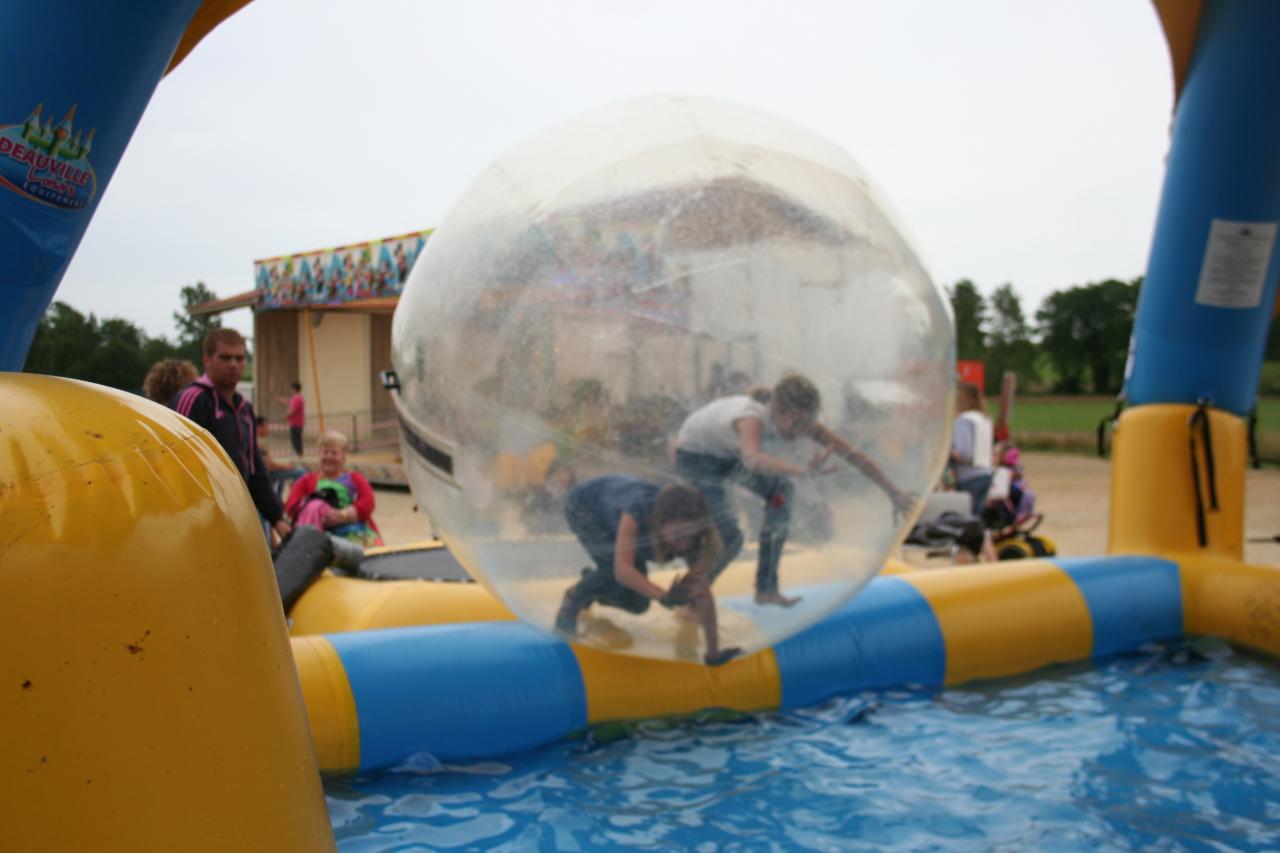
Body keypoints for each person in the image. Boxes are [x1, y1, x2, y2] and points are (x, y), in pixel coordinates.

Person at [674, 373, 914, 607]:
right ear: (776, 412)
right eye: (796, 423)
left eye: (807, 423)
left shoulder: (804, 425)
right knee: (731, 538)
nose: (800, 432)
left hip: (728, 455)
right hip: (696, 457)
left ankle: (766, 590)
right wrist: (800, 470)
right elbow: (753, 460)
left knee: (781, 493)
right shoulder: (752, 418)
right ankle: (689, 600)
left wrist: (893, 492)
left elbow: (856, 457)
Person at [554, 477, 742, 666]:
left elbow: (702, 592)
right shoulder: (638, 512)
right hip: (586, 505)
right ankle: (574, 597)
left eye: (690, 538)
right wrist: (664, 596)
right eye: (677, 537)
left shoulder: (694, 535)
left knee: (638, 604)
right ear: (659, 523)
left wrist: (713, 654)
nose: (684, 545)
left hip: (616, 510)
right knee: (612, 570)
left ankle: (594, 584)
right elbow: (623, 570)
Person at [171, 329, 290, 541]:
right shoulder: (194, 400)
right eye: (225, 358)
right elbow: (177, 466)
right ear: (207, 360)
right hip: (198, 523)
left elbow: (255, 469)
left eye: (239, 358)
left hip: (235, 517)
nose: (233, 364)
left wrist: (277, 517)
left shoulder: (244, 409)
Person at [283, 430, 383, 547]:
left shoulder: (355, 478)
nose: (329, 457)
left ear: (344, 456)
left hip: (355, 531)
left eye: (334, 453)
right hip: (317, 535)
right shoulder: (305, 481)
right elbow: (291, 505)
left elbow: (368, 502)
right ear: (319, 455)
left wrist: (343, 515)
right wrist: (317, 511)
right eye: (325, 452)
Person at [950, 381, 994, 515]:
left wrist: (945, 452)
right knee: (976, 519)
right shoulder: (983, 419)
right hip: (985, 474)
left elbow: (964, 453)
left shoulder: (963, 420)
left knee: (966, 521)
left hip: (969, 476)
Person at [256, 416, 307, 498]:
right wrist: (286, 466)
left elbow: (269, 464)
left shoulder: (257, 441)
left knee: (282, 479)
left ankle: (279, 500)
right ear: (259, 427)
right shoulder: (257, 443)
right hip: (265, 473)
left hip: (265, 472)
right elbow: (270, 466)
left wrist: (285, 466)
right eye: (266, 426)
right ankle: (297, 499)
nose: (268, 429)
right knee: (300, 472)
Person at [281, 381, 305, 457]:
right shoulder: (294, 398)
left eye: (291, 388)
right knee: (295, 441)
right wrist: (275, 397)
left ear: (294, 389)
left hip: (296, 424)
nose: (291, 390)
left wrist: (285, 416)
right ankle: (299, 456)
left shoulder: (297, 399)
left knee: (296, 441)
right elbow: (286, 401)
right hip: (295, 423)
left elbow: (292, 411)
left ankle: (300, 456)